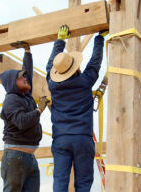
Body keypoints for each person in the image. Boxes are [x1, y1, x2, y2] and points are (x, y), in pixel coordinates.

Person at [46, 25, 108, 192]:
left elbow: (49, 66)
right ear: (76, 67)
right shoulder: (85, 81)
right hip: (82, 138)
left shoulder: (53, 85)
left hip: (61, 140)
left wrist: (59, 40)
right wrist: (99, 39)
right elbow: (95, 62)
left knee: (60, 181)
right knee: (83, 182)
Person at [0, 41, 49, 192]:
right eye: (21, 78)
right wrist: (39, 110)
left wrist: (27, 51)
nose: (25, 79)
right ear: (13, 83)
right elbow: (21, 122)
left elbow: (28, 72)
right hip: (15, 157)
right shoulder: (11, 100)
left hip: (29, 158)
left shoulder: (25, 96)